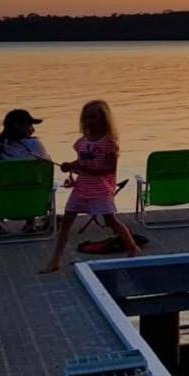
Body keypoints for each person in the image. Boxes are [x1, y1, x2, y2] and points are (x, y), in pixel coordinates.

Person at [42, 100, 141, 273]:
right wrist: (70, 166)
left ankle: (132, 247)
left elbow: (110, 169)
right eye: (85, 117)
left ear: (103, 119)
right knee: (66, 223)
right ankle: (56, 259)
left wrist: (87, 169)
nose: (88, 121)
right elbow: (80, 161)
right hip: (81, 189)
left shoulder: (109, 143)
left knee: (111, 221)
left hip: (100, 190)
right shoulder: (82, 142)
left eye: (93, 117)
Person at [0, 108, 52, 233]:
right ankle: (30, 222)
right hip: (35, 205)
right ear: (17, 126)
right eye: (29, 125)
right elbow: (46, 167)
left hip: (3, 205)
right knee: (32, 182)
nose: (32, 128)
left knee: (6, 183)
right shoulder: (35, 144)